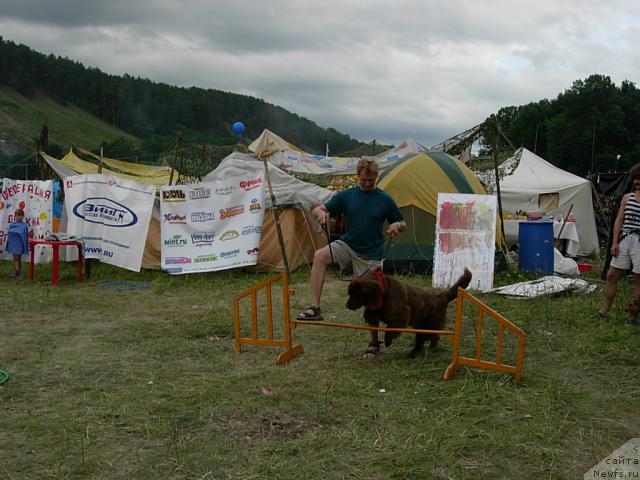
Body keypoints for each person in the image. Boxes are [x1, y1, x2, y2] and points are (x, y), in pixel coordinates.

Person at [297, 158, 407, 355]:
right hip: (348, 244)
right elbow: (318, 208)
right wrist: (320, 214)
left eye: (371, 180)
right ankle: (315, 308)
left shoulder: (385, 199)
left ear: (376, 177)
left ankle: (374, 343)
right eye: (364, 179)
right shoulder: (347, 196)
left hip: (372, 252)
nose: (367, 183)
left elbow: (401, 222)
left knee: (371, 295)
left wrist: (396, 225)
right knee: (320, 256)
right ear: (358, 176)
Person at [597, 163, 640, 326]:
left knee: (638, 279)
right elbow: (619, 221)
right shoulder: (627, 198)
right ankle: (605, 310)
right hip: (624, 239)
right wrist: (614, 242)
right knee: (611, 275)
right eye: (635, 179)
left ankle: (633, 315)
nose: (637, 182)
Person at [6, 208, 30, 279]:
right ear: (15, 216)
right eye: (18, 215)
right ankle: (17, 273)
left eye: (21, 215)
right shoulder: (12, 225)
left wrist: (25, 247)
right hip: (13, 244)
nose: (20, 217)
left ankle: (18, 271)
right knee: (16, 258)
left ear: (23, 216)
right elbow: (10, 234)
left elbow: (25, 237)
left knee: (18, 259)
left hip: (20, 244)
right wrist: (9, 244)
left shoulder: (24, 226)